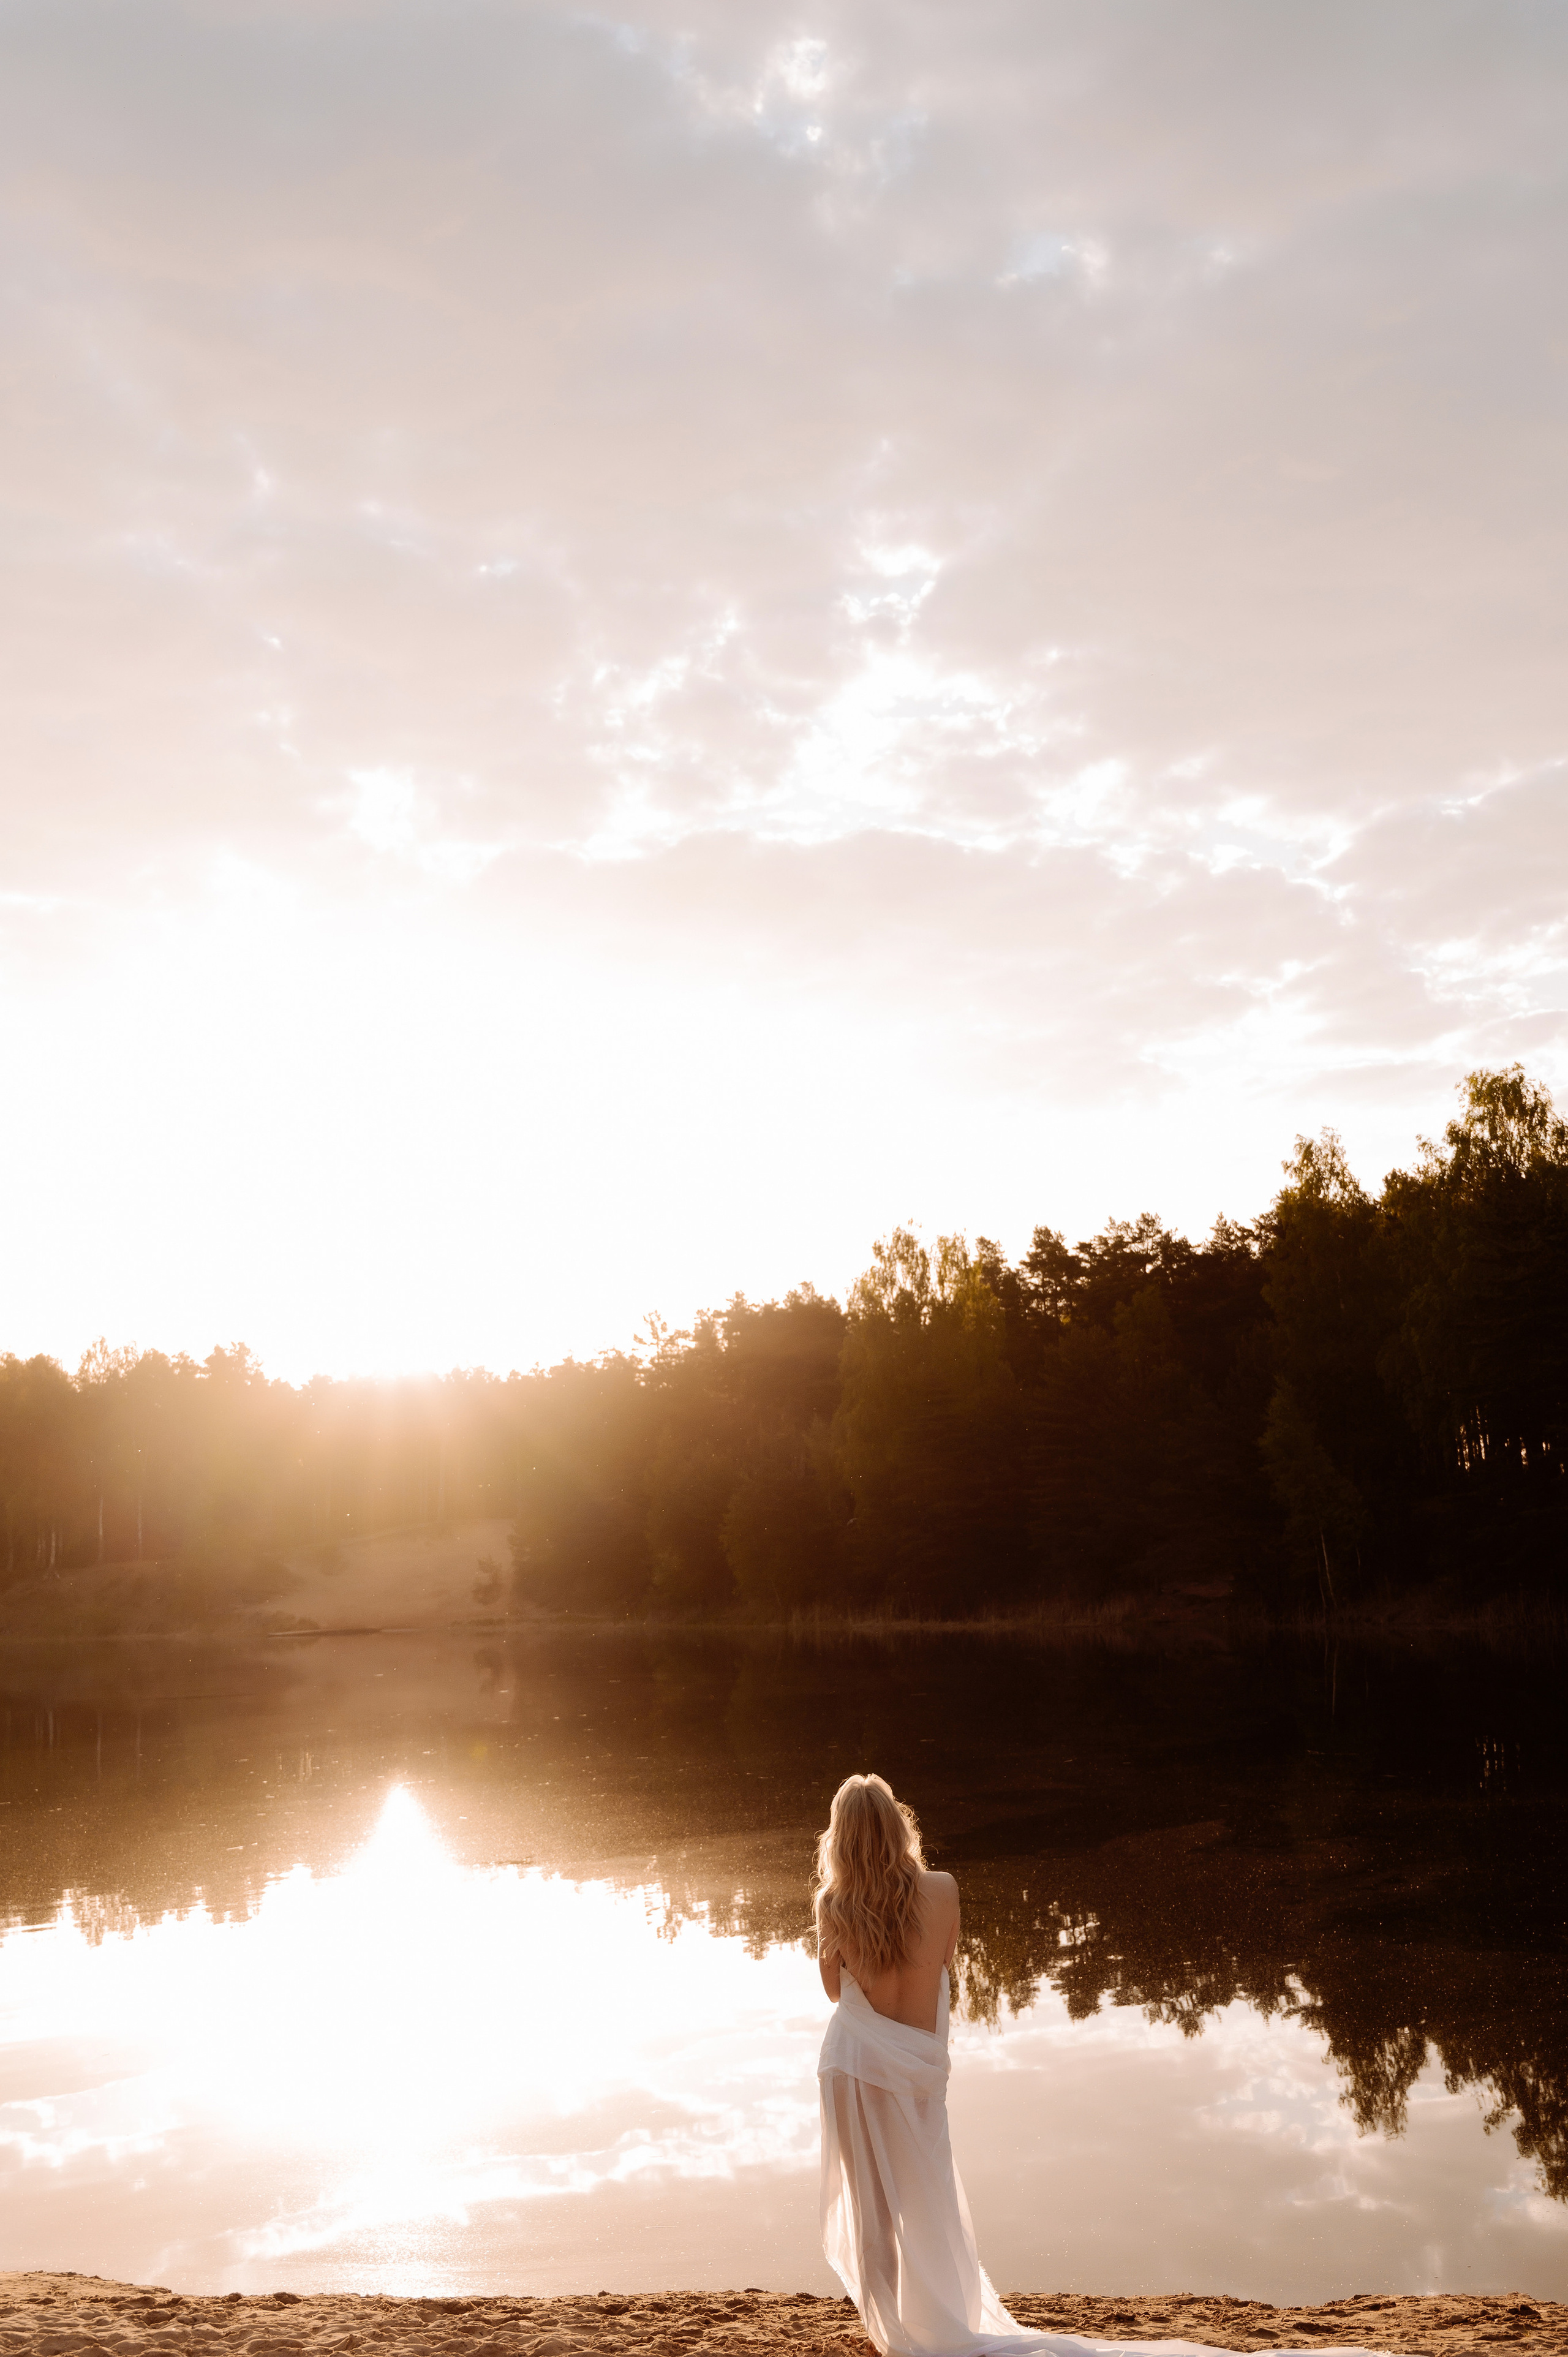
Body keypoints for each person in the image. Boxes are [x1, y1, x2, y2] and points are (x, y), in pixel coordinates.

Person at [814, 1773, 1385, 2357]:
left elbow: (836, 1991)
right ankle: (934, 2319)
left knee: (872, 2206)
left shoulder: (833, 1905)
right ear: (896, 1825)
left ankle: (887, 2334)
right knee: (923, 2189)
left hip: (856, 2063)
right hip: (920, 2067)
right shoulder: (942, 1890)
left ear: (839, 1838)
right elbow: (944, 1961)